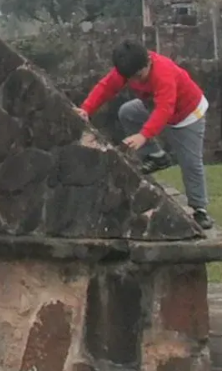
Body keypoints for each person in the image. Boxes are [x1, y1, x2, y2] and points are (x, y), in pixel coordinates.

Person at [79, 42, 213, 230]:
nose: (137, 81)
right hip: (154, 106)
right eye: (131, 78)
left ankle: (200, 209)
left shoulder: (163, 72)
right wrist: (86, 109)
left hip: (187, 114)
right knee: (128, 112)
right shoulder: (131, 67)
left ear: (148, 62)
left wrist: (143, 136)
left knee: (190, 162)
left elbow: (165, 109)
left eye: (139, 76)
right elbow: (106, 87)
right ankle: (157, 157)